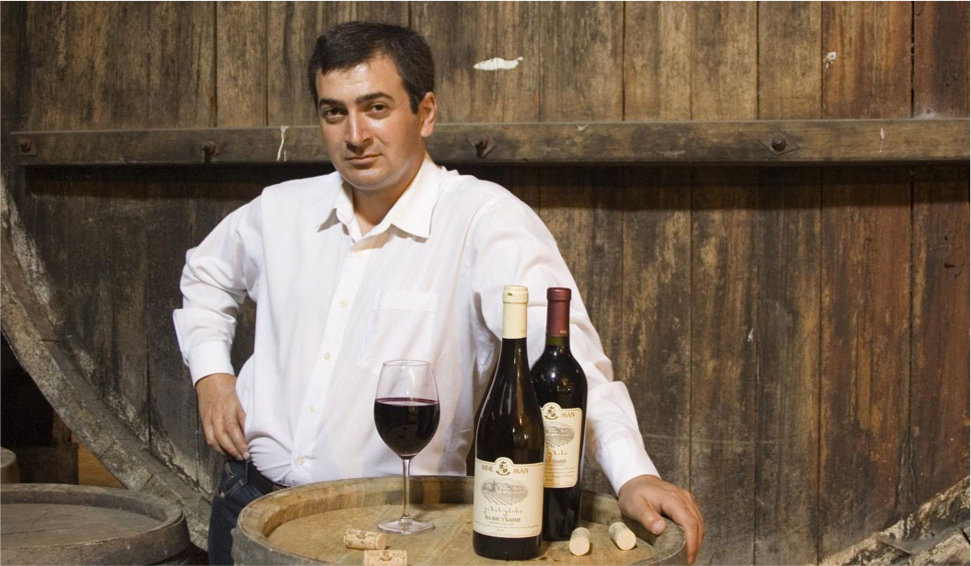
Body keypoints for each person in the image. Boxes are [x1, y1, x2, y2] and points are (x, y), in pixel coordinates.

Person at [173, 21, 704, 565]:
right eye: (335, 112)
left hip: (396, 527)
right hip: (249, 502)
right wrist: (213, 375)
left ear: (424, 113)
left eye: (376, 108)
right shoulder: (280, 209)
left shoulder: (484, 221)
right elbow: (205, 278)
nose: (354, 134)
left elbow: (566, 359)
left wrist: (633, 471)